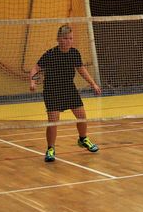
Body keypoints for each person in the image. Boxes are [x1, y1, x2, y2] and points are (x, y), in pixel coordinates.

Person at [29, 24, 102, 163]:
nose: (68, 41)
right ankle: (50, 149)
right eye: (65, 38)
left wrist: (93, 83)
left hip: (69, 89)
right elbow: (35, 69)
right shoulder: (50, 54)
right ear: (58, 39)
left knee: (82, 117)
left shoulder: (74, 53)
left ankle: (83, 139)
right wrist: (32, 82)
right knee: (53, 121)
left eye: (71, 38)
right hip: (52, 90)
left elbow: (81, 69)